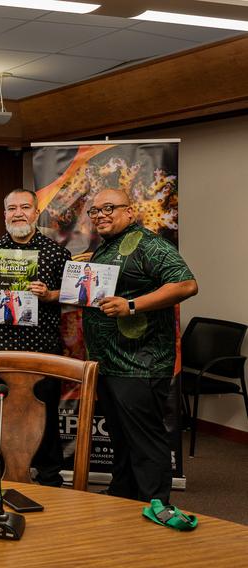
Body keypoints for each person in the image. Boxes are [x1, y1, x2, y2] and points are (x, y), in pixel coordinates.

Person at [82, 188, 197, 505]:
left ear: (129, 212)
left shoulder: (149, 244)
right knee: (121, 437)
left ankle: (155, 504)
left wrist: (131, 305)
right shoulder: (107, 247)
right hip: (109, 363)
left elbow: (186, 284)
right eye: (94, 211)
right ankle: (124, 498)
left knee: (146, 440)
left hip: (140, 364)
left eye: (109, 208)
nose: (101, 215)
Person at [0, 188, 71, 485]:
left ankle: (50, 474)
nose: (18, 213)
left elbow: (72, 295)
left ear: (36, 212)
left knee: (45, 413)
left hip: (41, 350)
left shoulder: (56, 252)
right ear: (5, 215)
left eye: (25, 207)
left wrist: (49, 294)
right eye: (12, 208)